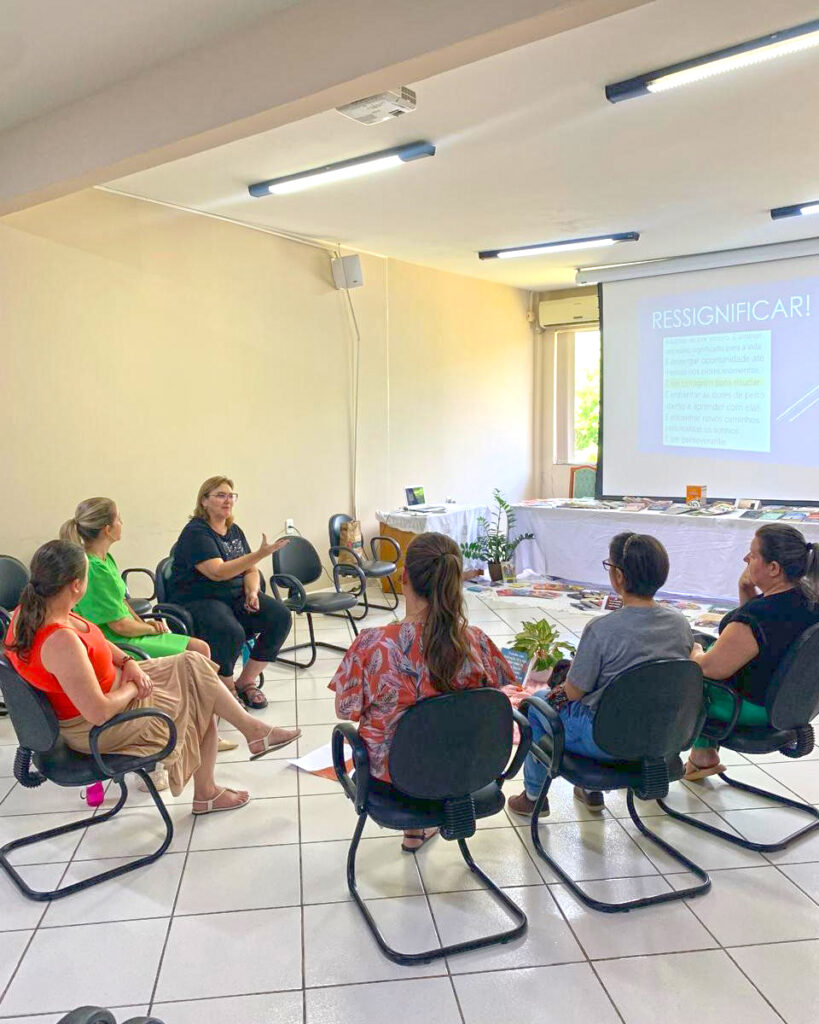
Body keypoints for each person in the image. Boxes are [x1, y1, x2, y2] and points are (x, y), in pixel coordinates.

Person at [4, 541, 300, 814]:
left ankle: (251, 735)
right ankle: (211, 787)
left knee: (194, 662)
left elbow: (96, 639)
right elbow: (99, 712)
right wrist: (134, 688)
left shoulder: (35, 609)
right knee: (200, 696)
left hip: (119, 688)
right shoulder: (59, 641)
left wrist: (127, 662)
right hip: (101, 725)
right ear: (76, 585)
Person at [330, 531, 517, 852]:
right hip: (466, 771)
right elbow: (497, 696)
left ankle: (414, 828)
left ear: (404, 577)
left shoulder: (373, 645)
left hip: (395, 781)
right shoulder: (477, 642)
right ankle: (421, 827)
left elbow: (345, 710)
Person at [508, 532, 693, 817]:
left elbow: (574, 692)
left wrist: (552, 696)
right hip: (664, 735)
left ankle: (534, 797)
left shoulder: (602, 629)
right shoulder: (680, 624)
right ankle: (589, 790)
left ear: (618, 576)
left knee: (537, 705)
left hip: (606, 739)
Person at [687, 523, 819, 780]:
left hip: (750, 709)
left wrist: (693, 652)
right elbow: (764, 645)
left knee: (679, 666)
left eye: (753, 554)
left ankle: (649, 760)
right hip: (791, 704)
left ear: (773, 568)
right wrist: (747, 592)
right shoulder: (807, 601)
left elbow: (709, 669)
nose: (745, 559)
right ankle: (703, 755)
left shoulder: (757, 617)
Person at [168, 476, 293, 710]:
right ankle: (227, 690)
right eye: (220, 495)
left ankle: (246, 682)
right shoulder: (196, 532)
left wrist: (252, 592)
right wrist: (260, 553)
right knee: (230, 631)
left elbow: (251, 570)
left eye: (231, 496)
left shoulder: (234, 530)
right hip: (199, 598)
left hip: (232, 595)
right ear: (204, 501)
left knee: (280, 616)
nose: (228, 501)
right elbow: (217, 573)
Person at [60, 498, 210, 660]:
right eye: (118, 519)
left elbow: (121, 601)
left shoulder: (105, 560)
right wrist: (150, 629)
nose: (122, 523)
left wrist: (143, 624)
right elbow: (119, 626)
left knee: (200, 647)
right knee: (197, 655)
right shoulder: (96, 570)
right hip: (117, 643)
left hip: (129, 634)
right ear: (107, 530)